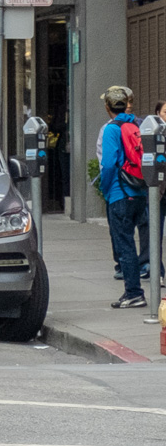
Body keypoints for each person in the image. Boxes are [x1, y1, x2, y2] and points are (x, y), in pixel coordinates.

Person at [98, 85, 149, 308]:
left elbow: (108, 164)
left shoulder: (112, 129)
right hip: (138, 190)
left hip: (120, 192)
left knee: (124, 244)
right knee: (133, 241)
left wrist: (105, 188)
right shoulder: (134, 124)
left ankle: (133, 292)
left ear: (108, 106)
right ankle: (135, 289)